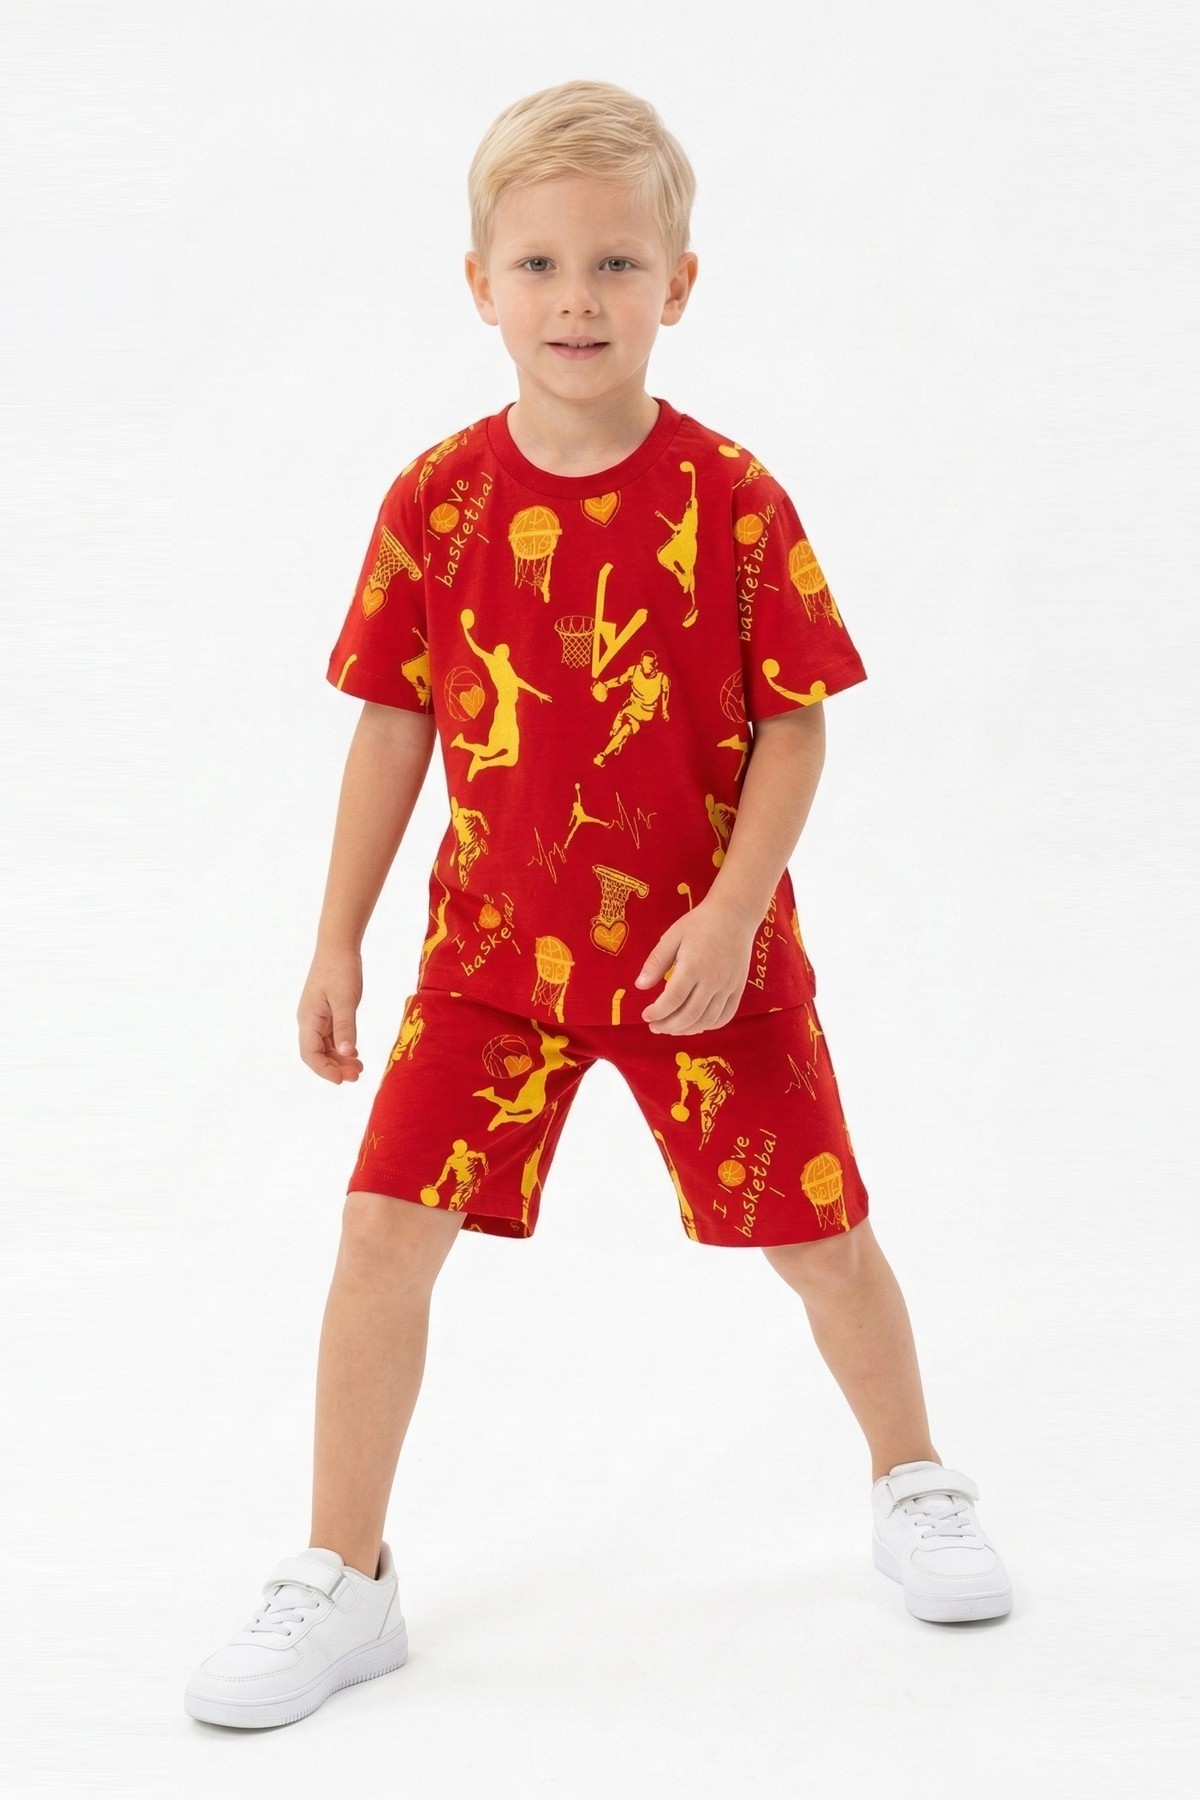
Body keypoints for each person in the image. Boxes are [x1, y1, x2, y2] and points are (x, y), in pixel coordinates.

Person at [185, 78, 1012, 1731]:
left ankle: (914, 1478)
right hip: (491, 965)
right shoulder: (435, 500)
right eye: (543, 265)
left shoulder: (734, 497)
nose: (579, 299)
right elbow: (395, 723)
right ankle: (344, 1574)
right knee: (379, 1233)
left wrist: (735, 909)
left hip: (708, 963)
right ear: (480, 285)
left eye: (618, 265)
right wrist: (337, 936)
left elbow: (796, 721)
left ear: (678, 286)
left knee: (824, 1241)